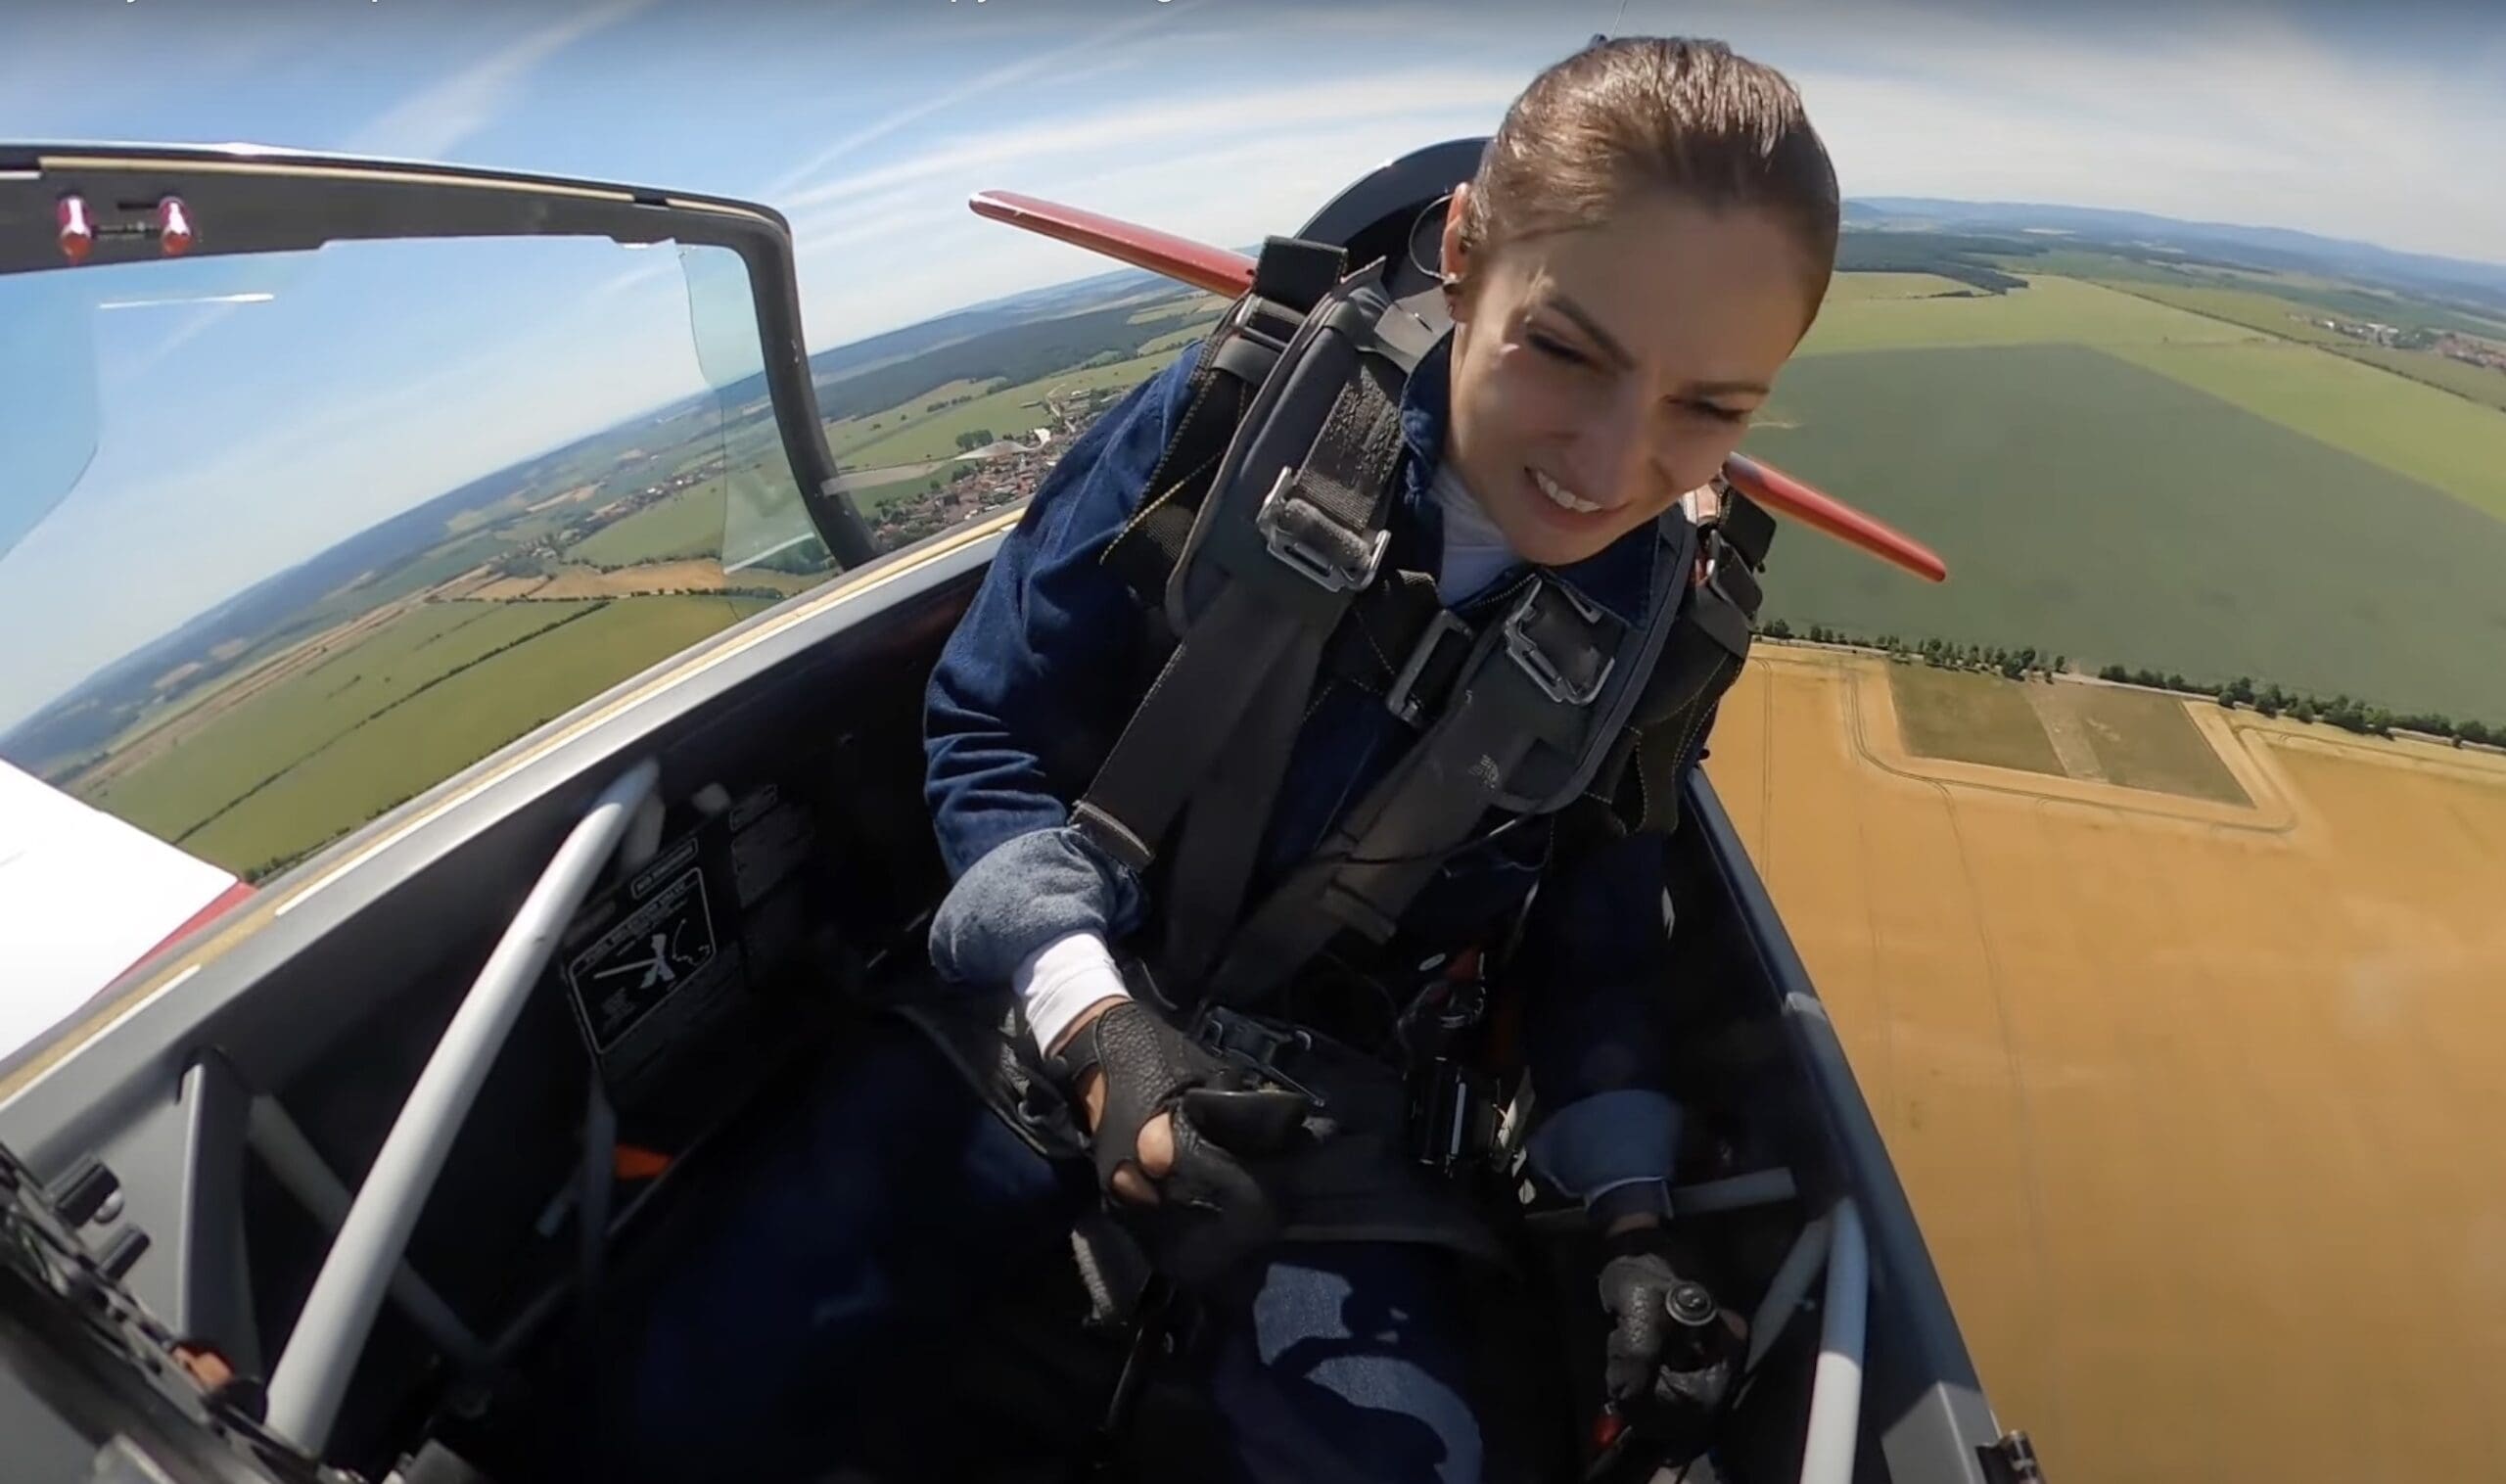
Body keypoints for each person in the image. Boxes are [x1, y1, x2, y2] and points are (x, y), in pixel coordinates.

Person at [590, 34, 1839, 1484]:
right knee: (675, 1406)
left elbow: (1594, 948)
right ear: (1462, 253)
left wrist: (1630, 1222)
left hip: (1333, 1134)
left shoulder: (1657, 631)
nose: (1616, 460)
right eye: (1568, 350)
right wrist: (1101, 1029)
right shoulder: (1231, 437)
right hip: (1032, 1025)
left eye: (1710, 408)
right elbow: (985, 733)